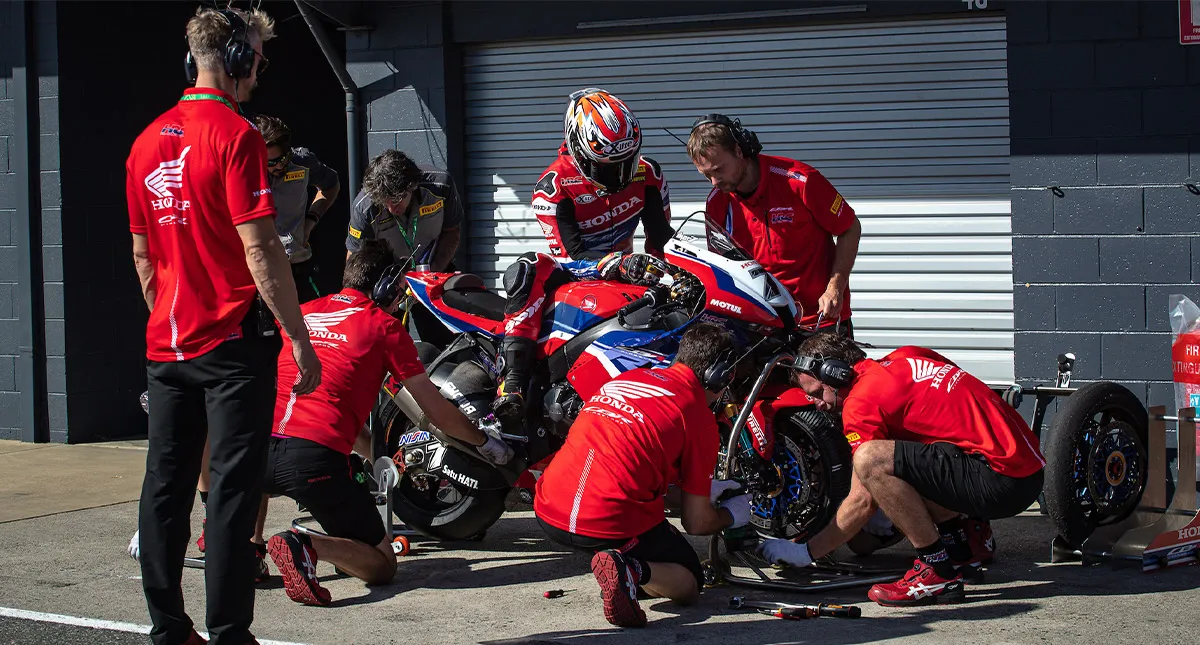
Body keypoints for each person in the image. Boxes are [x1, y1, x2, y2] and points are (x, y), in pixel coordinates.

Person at [126, 7, 321, 645]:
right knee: (233, 493)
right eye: (258, 59)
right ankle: (230, 633)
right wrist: (297, 335)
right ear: (236, 59)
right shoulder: (235, 135)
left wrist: (166, 310)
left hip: (168, 342)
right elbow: (261, 248)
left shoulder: (146, 140)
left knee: (165, 486)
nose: (259, 72)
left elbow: (142, 253)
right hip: (234, 343)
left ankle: (167, 629)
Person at [258, 240, 514, 606]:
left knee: (255, 480)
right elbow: (437, 413)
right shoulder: (384, 327)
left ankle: (251, 552)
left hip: (259, 449)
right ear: (385, 287)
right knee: (382, 566)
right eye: (398, 291)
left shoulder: (302, 313)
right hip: (313, 459)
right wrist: (485, 444)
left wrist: (377, 455)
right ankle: (304, 544)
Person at [757, 333, 1045, 607]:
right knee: (907, 450)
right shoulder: (907, 356)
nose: (818, 404)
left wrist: (805, 552)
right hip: (1025, 470)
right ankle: (960, 551)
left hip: (1001, 481)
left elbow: (863, 501)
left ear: (837, 373)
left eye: (818, 392)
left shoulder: (860, 404)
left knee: (871, 459)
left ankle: (936, 569)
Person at [533, 323, 753, 628]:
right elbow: (696, 522)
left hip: (549, 508)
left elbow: (635, 473)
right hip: (603, 523)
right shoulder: (698, 416)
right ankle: (632, 570)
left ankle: (622, 569)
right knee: (690, 582)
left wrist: (704, 489)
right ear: (721, 375)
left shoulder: (626, 379)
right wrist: (732, 515)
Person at [492, 88, 674, 422]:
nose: (620, 177)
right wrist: (617, 264)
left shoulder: (649, 174)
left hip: (629, 270)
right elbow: (572, 254)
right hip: (578, 270)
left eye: (626, 163)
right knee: (531, 266)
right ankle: (513, 382)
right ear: (578, 150)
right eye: (607, 168)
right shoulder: (555, 185)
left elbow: (661, 241)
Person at [687, 114, 862, 335]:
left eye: (719, 170)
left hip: (820, 320)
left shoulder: (800, 181)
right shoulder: (716, 203)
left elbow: (850, 227)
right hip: (762, 327)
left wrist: (834, 288)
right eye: (706, 175)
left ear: (739, 151)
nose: (714, 181)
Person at [254, 114, 341, 302]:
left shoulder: (303, 162)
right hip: (258, 270)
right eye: (270, 162)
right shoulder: (245, 171)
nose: (277, 166)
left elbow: (331, 185)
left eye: (281, 158)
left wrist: (311, 221)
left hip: (297, 263)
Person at [345, 149, 464, 271]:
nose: (391, 208)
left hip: (433, 270)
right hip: (387, 277)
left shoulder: (441, 186)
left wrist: (434, 271)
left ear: (412, 186)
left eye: (397, 200)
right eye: (385, 202)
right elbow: (355, 259)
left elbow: (451, 231)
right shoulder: (364, 207)